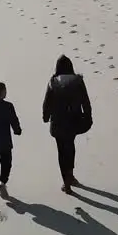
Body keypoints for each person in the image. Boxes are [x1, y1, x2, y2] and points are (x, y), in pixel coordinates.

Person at [41, 55, 92, 193]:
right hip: (73, 120)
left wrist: (45, 117)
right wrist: (88, 117)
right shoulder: (78, 81)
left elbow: (47, 103)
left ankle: (66, 183)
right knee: (70, 146)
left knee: (61, 151)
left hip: (57, 122)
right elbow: (85, 102)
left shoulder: (53, 82)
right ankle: (70, 175)